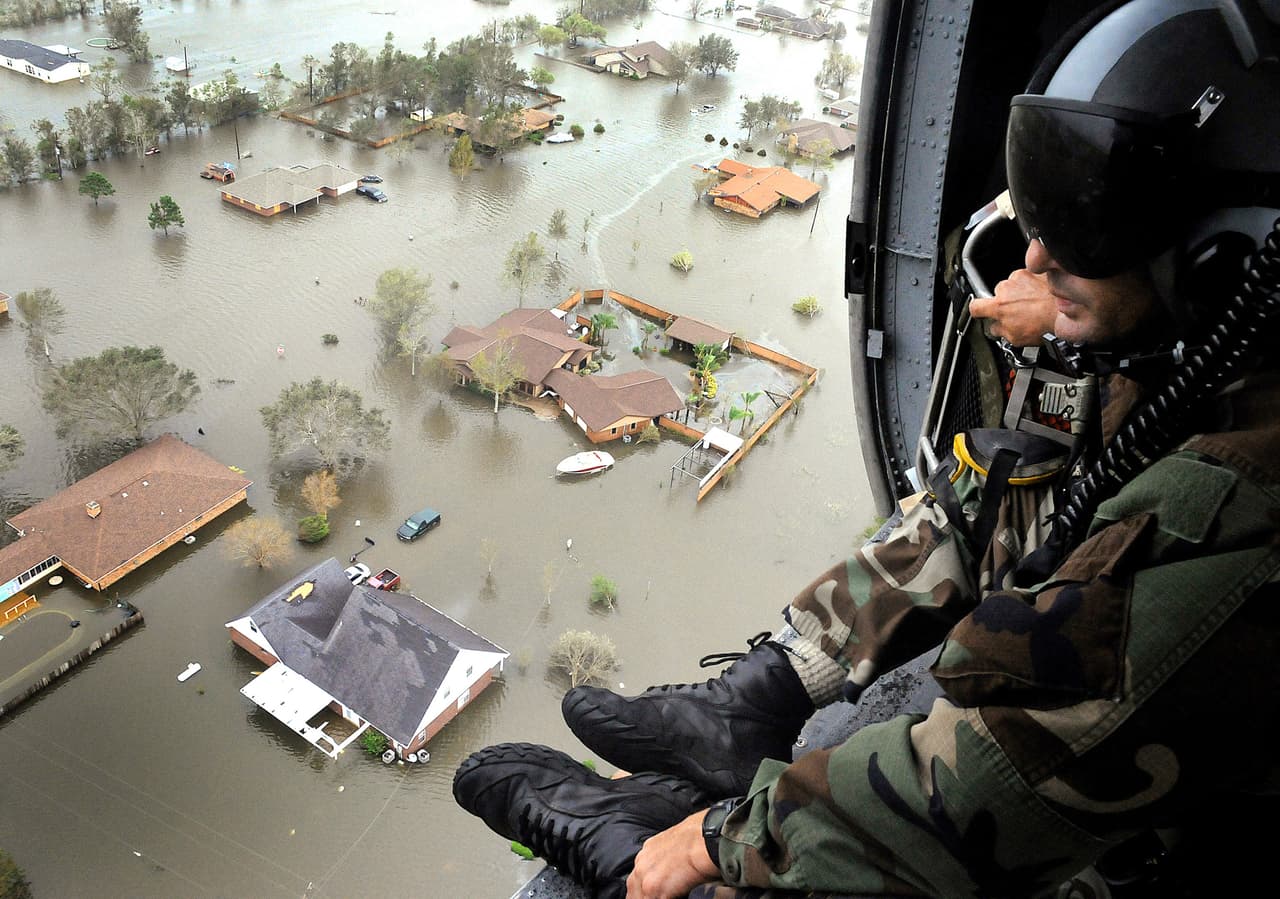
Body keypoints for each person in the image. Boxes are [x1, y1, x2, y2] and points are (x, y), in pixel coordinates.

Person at [454, 3, 1280, 897]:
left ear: (1227, 257)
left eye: (1085, 236)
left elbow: (976, 791)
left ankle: (640, 868)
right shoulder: (1223, 368)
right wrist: (1085, 336)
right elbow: (1057, 497)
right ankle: (761, 697)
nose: (1035, 257)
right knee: (1002, 469)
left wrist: (709, 845)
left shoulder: (1242, 507)